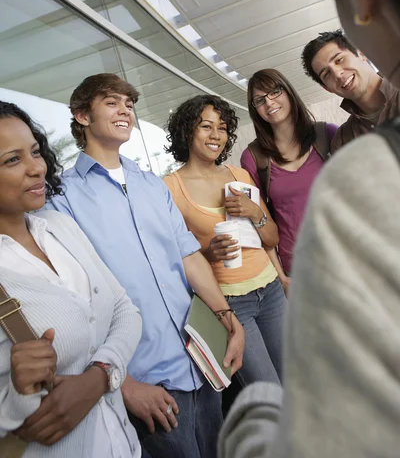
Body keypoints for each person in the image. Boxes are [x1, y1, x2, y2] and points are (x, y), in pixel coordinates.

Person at [218, 0, 400, 457]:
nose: (341, 75)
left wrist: (252, 413)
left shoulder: (356, 164)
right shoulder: (264, 159)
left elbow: (332, 439)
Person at [46, 73, 245, 458]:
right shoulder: (62, 199)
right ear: (82, 116)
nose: (125, 110)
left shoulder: (151, 184)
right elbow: (71, 305)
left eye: (129, 104)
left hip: (201, 360)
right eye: (111, 102)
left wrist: (226, 316)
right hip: (146, 381)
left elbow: (188, 257)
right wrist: (123, 384)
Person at [0, 101, 145, 458]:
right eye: (12, 159)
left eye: (35, 151)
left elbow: (126, 311)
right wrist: (18, 394)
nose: (37, 167)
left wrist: (99, 378)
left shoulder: (60, 227)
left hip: (127, 445)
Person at [164, 95, 286, 386]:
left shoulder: (238, 175)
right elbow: (174, 261)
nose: (216, 135)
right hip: (230, 303)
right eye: (206, 126)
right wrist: (209, 252)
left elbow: (272, 237)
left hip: (270, 292)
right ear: (187, 132)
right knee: (268, 390)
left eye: (221, 127)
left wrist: (254, 212)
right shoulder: (169, 189)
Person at [240, 68, 337, 276]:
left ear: (288, 92)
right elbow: (258, 220)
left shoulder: (326, 135)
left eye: (274, 92)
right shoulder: (253, 157)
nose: (269, 103)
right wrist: (281, 277)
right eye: (259, 100)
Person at [301, 29, 400, 152]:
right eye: (326, 74)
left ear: (362, 54)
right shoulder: (344, 143)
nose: (337, 74)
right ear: (327, 88)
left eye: (339, 60)